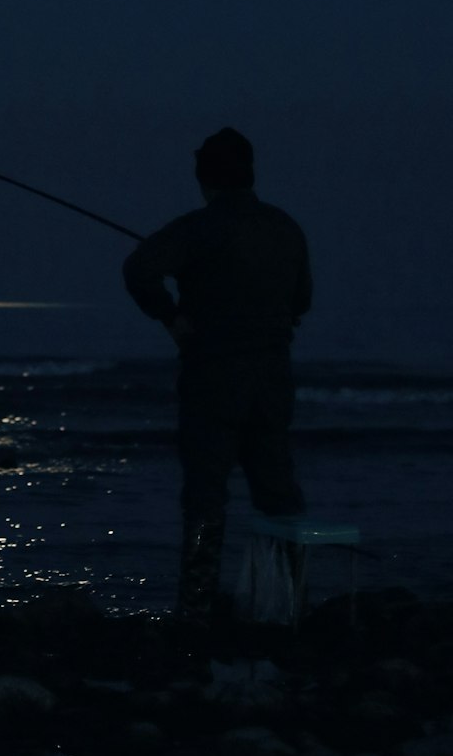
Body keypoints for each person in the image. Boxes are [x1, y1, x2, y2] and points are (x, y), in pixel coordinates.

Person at [122, 126, 312, 625]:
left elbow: (139, 268)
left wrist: (172, 316)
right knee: (278, 493)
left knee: (207, 497)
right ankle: (287, 603)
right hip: (272, 383)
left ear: (205, 178)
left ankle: (197, 607)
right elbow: (302, 300)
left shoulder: (197, 229)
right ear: (250, 173)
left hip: (213, 382)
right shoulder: (285, 228)